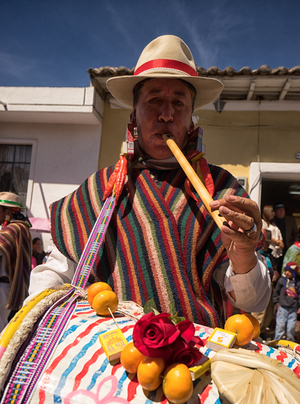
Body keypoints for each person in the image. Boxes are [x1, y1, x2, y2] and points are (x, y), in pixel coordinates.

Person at [28, 35, 271, 327]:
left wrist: (244, 256)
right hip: (114, 361)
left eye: (178, 103)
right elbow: (54, 277)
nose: (166, 114)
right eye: (154, 100)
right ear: (134, 115)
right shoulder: (101, 190)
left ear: (191, 119)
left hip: (199, 359)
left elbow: (252, 301)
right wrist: (33, 326)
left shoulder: (219, 189)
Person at [0, 192, 32, 331]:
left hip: (3, 286)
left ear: (8, 212)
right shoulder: (22, 228)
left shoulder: (12, 229)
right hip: (9, 286)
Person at [273, 261, 300, 342]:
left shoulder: (298, 283)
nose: (287, 273)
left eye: (290, 271)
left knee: (291, 326)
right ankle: (277, 340)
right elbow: (276, 293)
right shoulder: (281, 281)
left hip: (293, 309)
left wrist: (299, 307)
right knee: (280, 325)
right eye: (286, 270)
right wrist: (277, 304)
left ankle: (289, 341)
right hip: (282, 308)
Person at [262, 205, 284, 274]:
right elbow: (265, 235)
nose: (274, 213)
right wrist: (277, 242)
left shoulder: (273, 224)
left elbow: (279, 234)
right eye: (272, 211)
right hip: (269, 251)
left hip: (277, 252)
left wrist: (280, 243)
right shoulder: (263, 223)